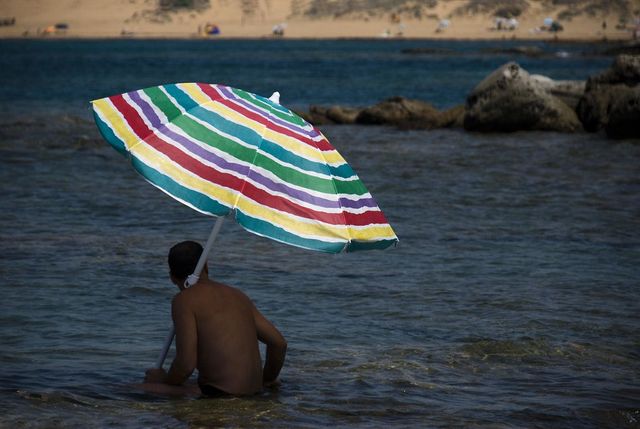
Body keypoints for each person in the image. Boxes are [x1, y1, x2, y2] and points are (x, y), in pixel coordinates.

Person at [144, 241, 287, 396]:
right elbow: (278, 344)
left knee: (128, 389)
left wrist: (162, 380)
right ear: (206, 265)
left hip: (222, 394)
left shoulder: (184, 300)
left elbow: (185, 366)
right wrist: (266, 381)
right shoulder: (237, 295)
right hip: (254, 393)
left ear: (172, 277)